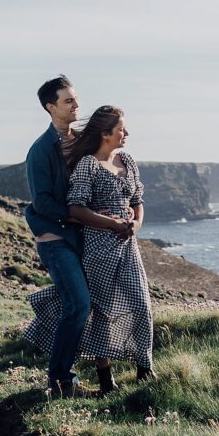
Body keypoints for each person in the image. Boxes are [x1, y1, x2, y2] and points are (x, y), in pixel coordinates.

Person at [26, 105, 154, 394]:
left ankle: (145, 368)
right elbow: (75, 208)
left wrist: (136, 225)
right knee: (100, 310)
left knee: (142, 304)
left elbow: (138, 199)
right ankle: (105, 379)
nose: (127, 133)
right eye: (121, 128)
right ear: (105, 133)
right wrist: (111, 224)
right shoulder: (87, 165)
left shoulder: (128, 160)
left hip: (128, 245)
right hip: (98, 246)